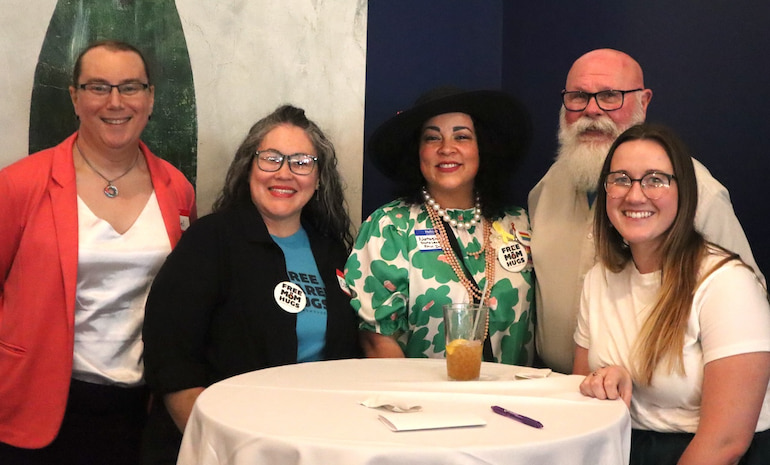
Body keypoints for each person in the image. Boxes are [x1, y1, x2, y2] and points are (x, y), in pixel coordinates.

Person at [0, 40, 196, 464]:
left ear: (150, 97)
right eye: (97, 87)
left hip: (141, 408)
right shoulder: (19, 185)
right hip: (37, 405)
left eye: (130, 87)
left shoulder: (177, 190)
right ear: (74, 96)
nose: (114, 102)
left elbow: (181, 302)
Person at [141, 104, 362, 463]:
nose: (285, 173)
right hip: (228, 448)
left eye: (302, 162)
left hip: (313, 445)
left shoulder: (331, 251)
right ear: (248, 168)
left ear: (319, 177)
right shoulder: (210, 241)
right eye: (271, 159)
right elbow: (172, 359)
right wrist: (220, 448)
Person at [529, 48, 763, 374]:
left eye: (610, 96)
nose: (592, 110)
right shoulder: (546, 188)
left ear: (644, 101)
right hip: (561, 394)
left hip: (662, 409)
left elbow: (749, 313)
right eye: (578, 96)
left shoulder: (697, 194)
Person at [573, 123, 770, 465]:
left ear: (685, 192)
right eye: (620, 179)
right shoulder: (598, 279)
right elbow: (580, 398)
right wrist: (610, 381)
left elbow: (726, 442)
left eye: (655, 180)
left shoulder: (727, 284)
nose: (635, 195)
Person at [345, 87, 535, 364]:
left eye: (462, 136)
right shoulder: (389, 227)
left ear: (483, 146)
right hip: (423, 402)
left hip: (516, 401)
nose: (446, 149)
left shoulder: (518, 222)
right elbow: (377, 341)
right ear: (417, 151)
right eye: (432, 138)